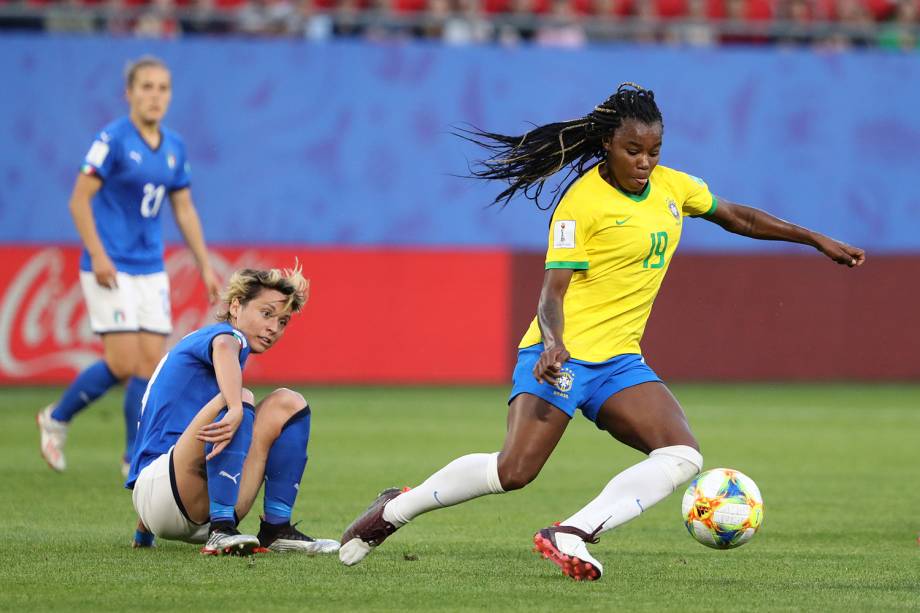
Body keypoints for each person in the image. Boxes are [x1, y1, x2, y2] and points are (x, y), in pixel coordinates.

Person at [337, 82, 866, 580]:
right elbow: (552, 292)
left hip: (619, 362)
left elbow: (739, 218)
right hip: (561, 357)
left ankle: (572, 532)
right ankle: (396, 509)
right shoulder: (580, 205)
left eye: (654, 151)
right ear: (607, 144)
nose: (645, 162)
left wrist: (815, 238)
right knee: (514, 471)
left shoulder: (672, 188)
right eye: (633, 150)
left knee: (682, 455)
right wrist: (552, 343)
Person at [37, 55, 221, 476]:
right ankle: (57, 418)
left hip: (150, 267)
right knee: (122, 363)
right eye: (147, 87)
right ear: (129, 93)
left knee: (148, 366)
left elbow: (185, 210)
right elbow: (78, 199)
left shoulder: (174, 147)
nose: (155, 96)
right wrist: (98, 254)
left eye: (163, 88)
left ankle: (131, 456)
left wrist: (205, 267)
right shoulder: (112, 140)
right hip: (111, 264)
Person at [126, 264, 340, 555]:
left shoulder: (205, 355)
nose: (273, 328)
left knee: (289, 403)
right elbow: (225, 348)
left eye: (283, 322)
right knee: (239, 398)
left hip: (179, 499)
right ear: (236, 306)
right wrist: (237, 406)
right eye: (266, 314)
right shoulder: (226, 337)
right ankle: (222, 529)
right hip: (166, 490)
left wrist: (145, 530)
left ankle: (275, 529)